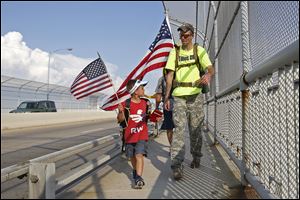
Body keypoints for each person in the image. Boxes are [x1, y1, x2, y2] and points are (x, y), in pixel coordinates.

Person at [163, 23, 214, 180]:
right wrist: (166, 96)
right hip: (179, 95)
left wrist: (208, 76)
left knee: (195, 129)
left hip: (196, 95)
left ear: (192, 35)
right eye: (181, 36)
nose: (183, 38)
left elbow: (210, 68)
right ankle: (177, 166)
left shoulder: (199, 51)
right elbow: (170, 75)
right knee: (179, 130)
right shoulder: (174, 52)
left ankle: (196, 156)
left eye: (186, 35)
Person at [117, 79, 151, 189]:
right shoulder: (126, 104)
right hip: (129, 136)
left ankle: (138, 178)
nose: (144, 89)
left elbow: (150, 117)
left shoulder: (146, 103)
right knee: (132, 157)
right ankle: (135, 171)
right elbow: (120, 120)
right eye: (142, 88)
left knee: (139, 155)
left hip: (142, 135)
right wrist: (121, 112)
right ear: (135, 91)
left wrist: (156, 117)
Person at [155, 69, 175, 153]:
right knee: (179, 127)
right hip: (180, 104)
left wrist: (156, 108)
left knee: (169, 128)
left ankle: (172, 147)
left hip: (167, 105)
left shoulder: (162, 79)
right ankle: (177, 147)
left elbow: (158, 96)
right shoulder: (179, 76)